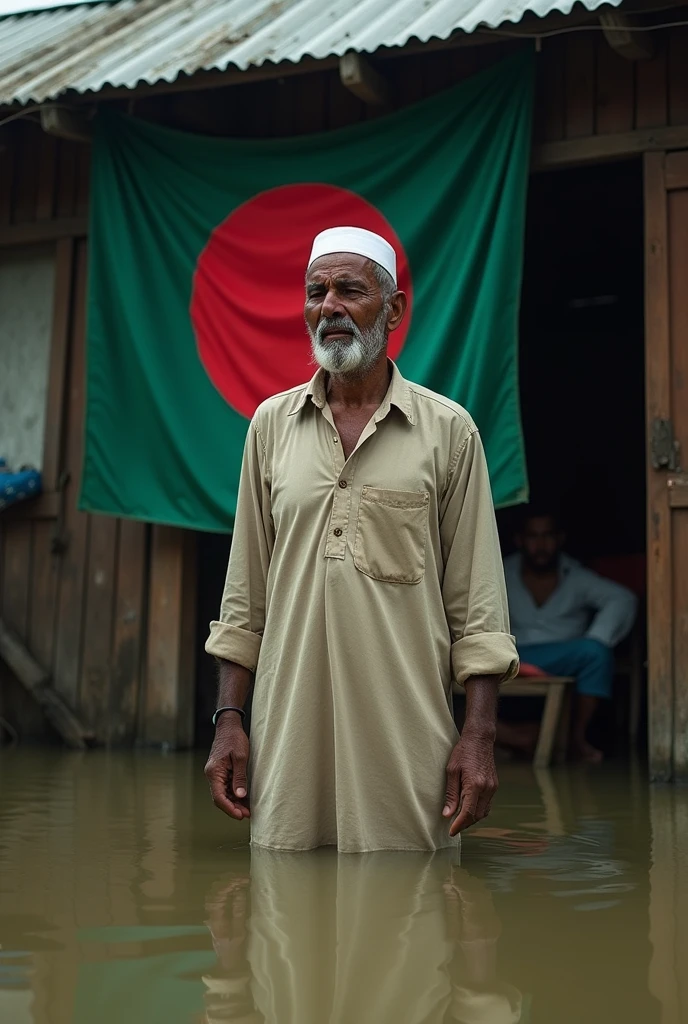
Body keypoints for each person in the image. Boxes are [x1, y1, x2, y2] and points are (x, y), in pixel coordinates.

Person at [204, 225, 518, 853]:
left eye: (351, 289)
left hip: (407, 746)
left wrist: (478, 736)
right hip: (288, 739)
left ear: (394, 309)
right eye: (316, 292)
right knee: (286, 920)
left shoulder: (448, 432)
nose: (330, 307)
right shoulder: (271, 426)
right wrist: (228, 721)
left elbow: (477, 607)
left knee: (411, 918)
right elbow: (245, 594)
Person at [501, 509, 637, 763]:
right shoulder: (500, 573)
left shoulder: (576, 575)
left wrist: (594, 639)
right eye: (533, 536)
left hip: (565, 655)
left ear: (560, 538)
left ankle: (576, 739)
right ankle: (518, 737)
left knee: (596, 653)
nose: (541, 545)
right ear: (519, 540)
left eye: (548, 536)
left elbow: (622, 599)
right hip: (512, 654)